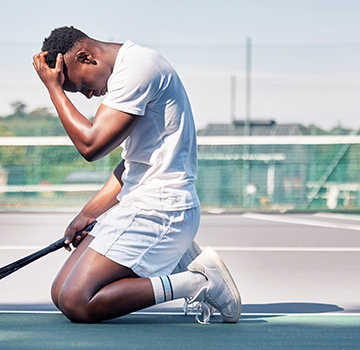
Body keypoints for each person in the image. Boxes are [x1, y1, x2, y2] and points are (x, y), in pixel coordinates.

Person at [33, 26, 242, 324]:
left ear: (86, 57)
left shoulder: (139, 69)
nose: (89, 95)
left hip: (161, 207)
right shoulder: (129, 71)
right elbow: (132, 165)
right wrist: (87, 213)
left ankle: (196, 281)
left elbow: (91, 145)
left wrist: (53, 88)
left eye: (80, 86)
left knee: (77, 300)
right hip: (140, 203)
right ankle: (180, 257)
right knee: (60, 293)